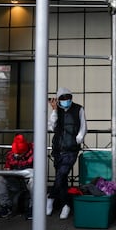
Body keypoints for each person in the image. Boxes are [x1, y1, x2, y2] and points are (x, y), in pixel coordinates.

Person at [46, 87, 87, 219]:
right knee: (61, 178)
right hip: (58, 149)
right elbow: (51, 126)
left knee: (62, 173)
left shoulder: (79, 109)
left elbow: (83, 127)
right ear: (58, 99)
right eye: (63, 98)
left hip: (71, 150)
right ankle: (66, 205)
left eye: (68, 97)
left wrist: (77, 139)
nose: (66, 100)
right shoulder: (56, 109)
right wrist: (54, 110)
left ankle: (51, 197)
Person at [0, 134, 34, 220]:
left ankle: (33, 207)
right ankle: (6, 206)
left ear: (25, 150)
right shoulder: (11, 154)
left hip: (29, 182)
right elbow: (7, 167)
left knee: (34, 179)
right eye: (15, 153)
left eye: (19, 153)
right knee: (0, 180)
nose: (17, 155)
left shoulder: (35, 152)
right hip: (16, 181)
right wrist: (7, 171)